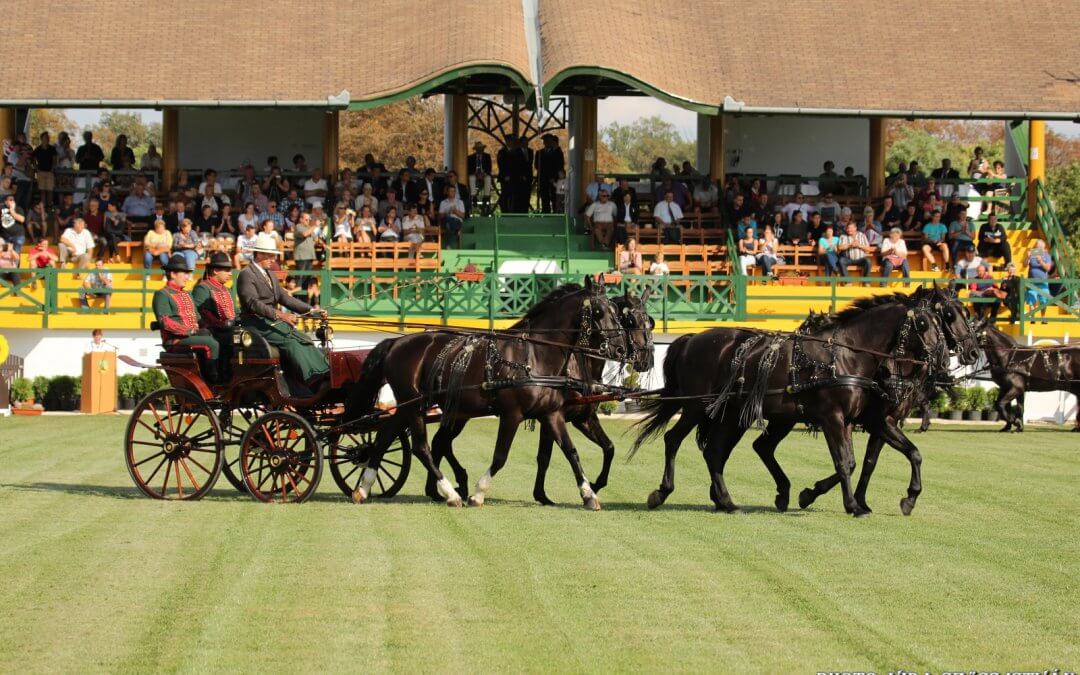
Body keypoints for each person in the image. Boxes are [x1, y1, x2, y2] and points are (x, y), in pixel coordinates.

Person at [235, 232, 329, 391]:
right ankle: (313, 379)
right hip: (254, 323)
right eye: (270, 255)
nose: (274, 259)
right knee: (290, 341)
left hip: (271, 322)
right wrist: (280, 314)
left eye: (274, 255)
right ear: (259, 254)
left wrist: (311, 310)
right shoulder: (246, 274)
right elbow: (252, 303)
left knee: (304, 338)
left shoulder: (270, 274)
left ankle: (324, 372)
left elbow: (285, 298)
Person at [152, 254, 221, 381]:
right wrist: (189, 330)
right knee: (212, 344)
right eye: (184, 273)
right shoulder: (162, 294)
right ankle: (213, 380)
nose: (187, 278)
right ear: (173, 274)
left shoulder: (187, 294)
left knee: (216, 336)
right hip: (175, 340)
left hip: (191, 336)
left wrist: (214, 326)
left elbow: (198, 318)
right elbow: (165, 322)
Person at [191, 251, 237, 372]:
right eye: (227, 270)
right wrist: (221, 324)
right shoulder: (203, 288)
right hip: (213, 332)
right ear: (216, 270)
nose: (230, 274)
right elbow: (199, 314)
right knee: (231, 339)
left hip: (229, 329)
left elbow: (235, 312)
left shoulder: (227, 290)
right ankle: (222, 375)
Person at [535, 134, 564, 214]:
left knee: (554, 198)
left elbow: (560, 165)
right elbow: (537, 166)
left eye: (549, 141)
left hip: (554, 180)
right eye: (545, 141)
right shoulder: (539, 153)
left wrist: (553, 177)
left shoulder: (557, 152)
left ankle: (555, 215)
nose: (547, 143)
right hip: (543, 179)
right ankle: (545, 214)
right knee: (544, 198)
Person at [1026, 240, 1053, 323]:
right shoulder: (1031, 254)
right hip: (1032, 281)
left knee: (1044, 299)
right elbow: (1024, 264)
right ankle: (1032, 318)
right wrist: (1027, 257)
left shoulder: (1047, 255)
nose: (1038, 248)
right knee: (1031, 298)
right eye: (1037, 247)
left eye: (1040, 247)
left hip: (1043, 281)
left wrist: (1041, 261)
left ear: (1043, 248)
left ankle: (1043, 317)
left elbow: (1048, 268)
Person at [293, 214, 319, 288]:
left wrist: (324, 245)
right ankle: (297, 296)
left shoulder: (309, 228)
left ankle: (304, 298)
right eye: (306, 219)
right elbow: (304, 234)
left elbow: (316, 239)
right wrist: (314, 226)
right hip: (301, 256)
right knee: (300, 277)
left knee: (307, 277)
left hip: (310, 255)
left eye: (309, 220)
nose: (308, 221)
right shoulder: (298, 226)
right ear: (301, 219)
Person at [32, 131, 58, 207]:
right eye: (45, 137)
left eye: (48, 137)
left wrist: (53, 168)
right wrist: (36, 168)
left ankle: (49, 206)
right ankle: (43, 207)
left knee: (50, 190)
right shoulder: (38, 149)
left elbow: (55, 159)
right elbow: (33, 159)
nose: (47, 139)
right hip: (41, 172)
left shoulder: (52, 149)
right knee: (42, 191)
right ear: (42, 139)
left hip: (50, 172)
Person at [467, 141, 493, 210]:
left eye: (481, 148)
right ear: (475, 149)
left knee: (488, 178)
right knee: (471, 178)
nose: (480, 150)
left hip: (484, 175)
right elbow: (468, 170)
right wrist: (475, 173)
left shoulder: (487, 156)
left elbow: (489, 169)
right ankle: (474, 197)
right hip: (474, 175)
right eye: (478, 148)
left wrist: (483, 173)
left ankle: (486, 198)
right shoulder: (470, 158)